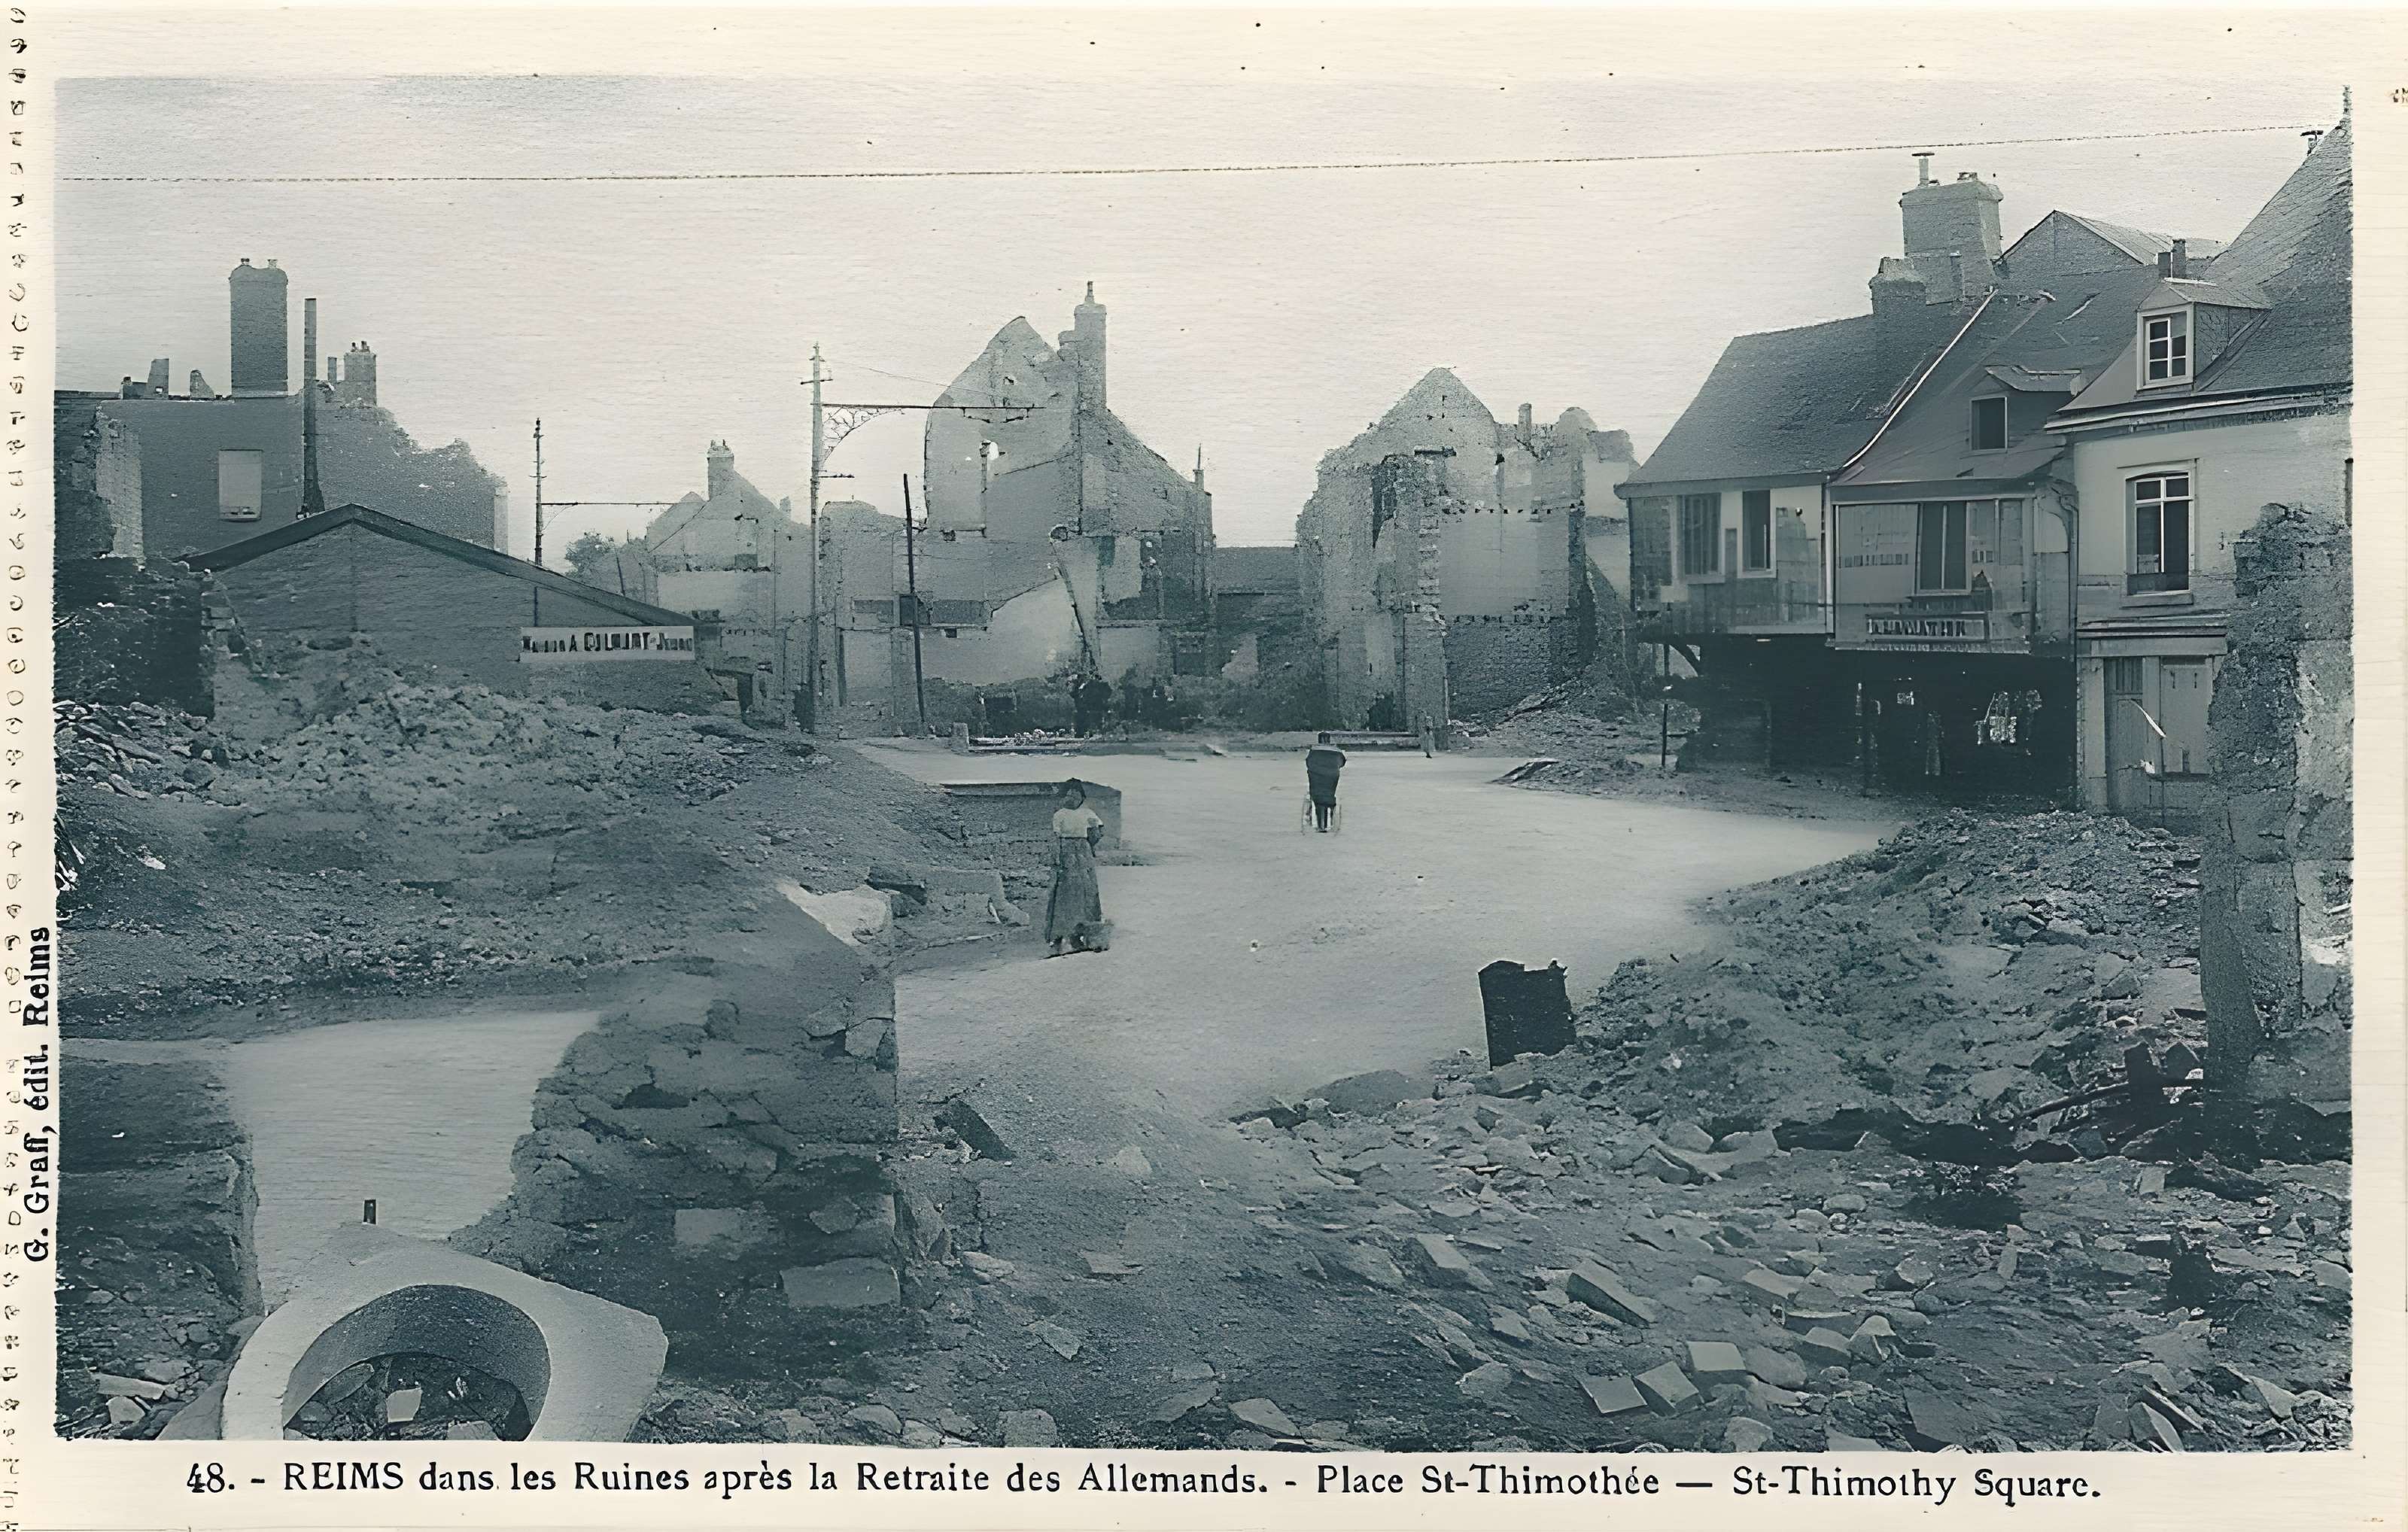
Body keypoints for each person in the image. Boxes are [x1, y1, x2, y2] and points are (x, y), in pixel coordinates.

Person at [1045, 780, 1108, 956]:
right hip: (1067, 855)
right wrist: (1057, 858)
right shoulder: (1060, 815)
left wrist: (1094, 829)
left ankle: (1080, 936)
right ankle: (1060, 937)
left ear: (1082, 797)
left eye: (1076, 795)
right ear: (1063, 797)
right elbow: (1055, 838)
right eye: (1069, 795)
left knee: (1087, 894)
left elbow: (1095, 838)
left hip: (1084, 854)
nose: (1072, 798)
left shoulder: (1088, 813)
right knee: (1067, 896)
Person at [1305, 741, 1347, 832]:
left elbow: (1308, 762)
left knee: (1318, 798)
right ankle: (1330, 820)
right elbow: (1343, 762)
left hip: (1316, 775)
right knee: (1329, 795)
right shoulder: (1336, 750)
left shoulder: (1314, 750)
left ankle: (1321, 824)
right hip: (1332, 775)